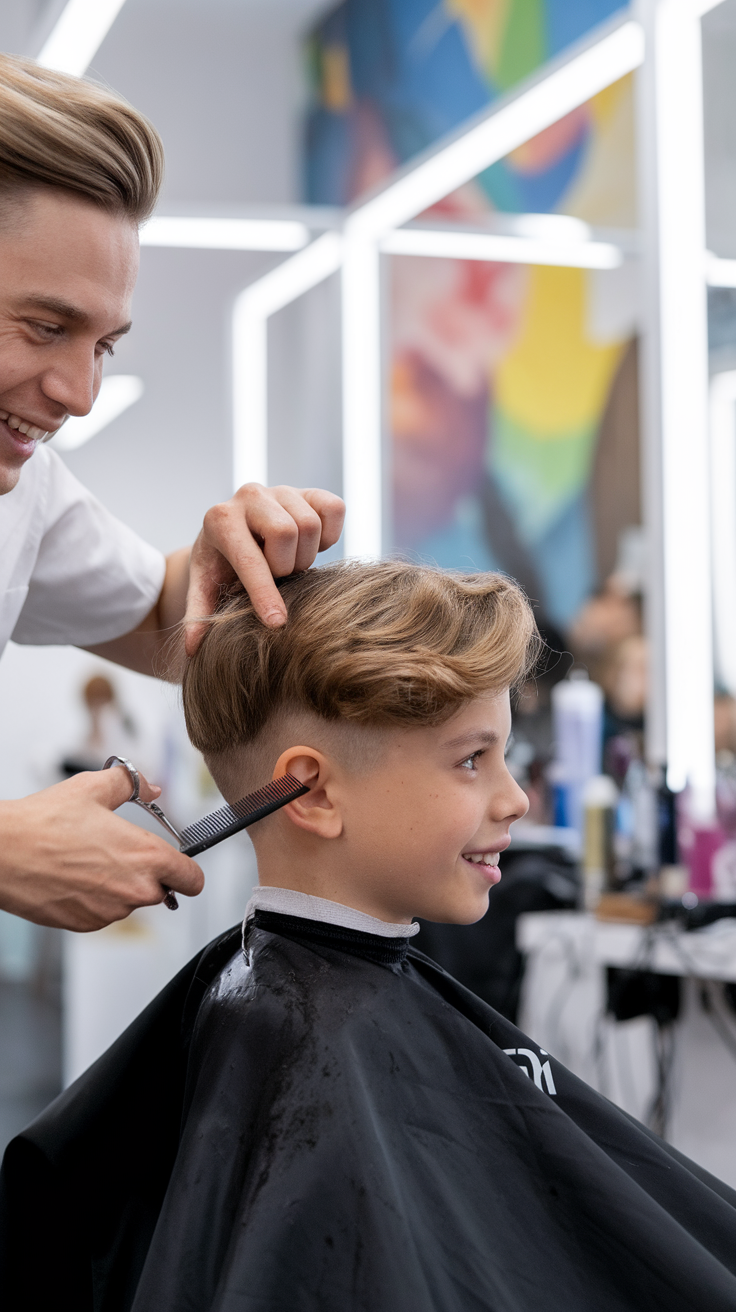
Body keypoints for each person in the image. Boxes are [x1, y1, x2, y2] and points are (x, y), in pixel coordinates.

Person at [3, 561, 736, 1312]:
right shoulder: (299, 1042)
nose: (515, 798)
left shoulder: (274, 1010)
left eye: (504, 756)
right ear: (312, 791)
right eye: (473, 760)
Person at [0, 53, 344, 932]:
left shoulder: (21, 494)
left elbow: (163, 615)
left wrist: (224, 560)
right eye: (45, 327)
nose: (79, 394)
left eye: (105, 346)